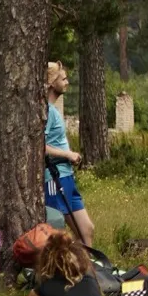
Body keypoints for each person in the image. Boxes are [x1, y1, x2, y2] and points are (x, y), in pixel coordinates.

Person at [42, 60, 95, 243]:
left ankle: (84, 261)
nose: (67, 82)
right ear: (51, 82)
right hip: (54, 178)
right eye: (63, 79)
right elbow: (39, 146)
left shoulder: (54, 110)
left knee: (86, 230)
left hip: (67, 176)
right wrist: (68, 154)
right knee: (56, 234)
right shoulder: (47, 111)